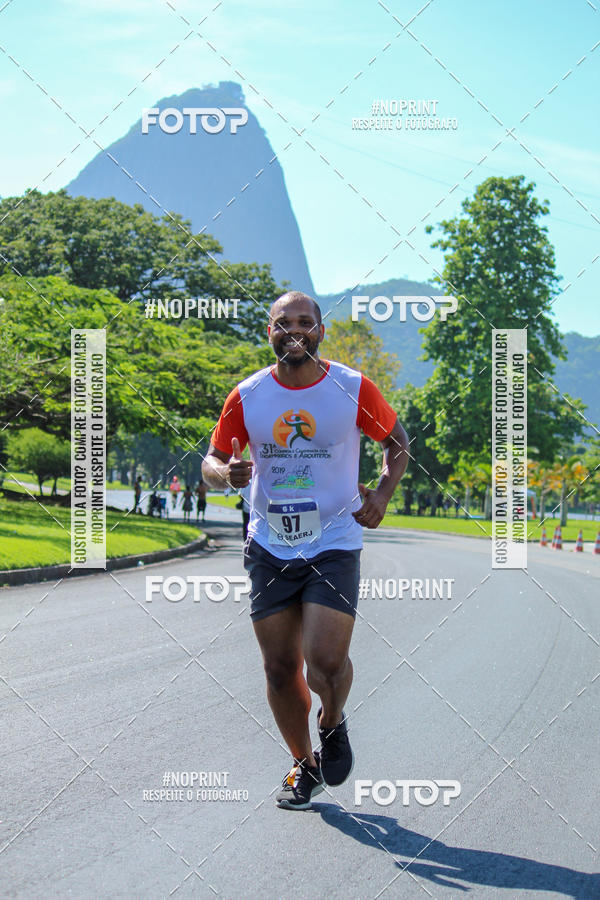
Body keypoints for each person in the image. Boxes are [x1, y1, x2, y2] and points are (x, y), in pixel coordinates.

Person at [202, 291, 409, 811]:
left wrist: (381, 496)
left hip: (334, 539)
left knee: (326, 662)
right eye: (283, 322)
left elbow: (397, 441)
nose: (294, 329)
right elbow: (212, 459)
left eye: (304, 321)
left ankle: (332, 722)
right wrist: (225, 473)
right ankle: (303, 764)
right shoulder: (247, 395)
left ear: (320, 330)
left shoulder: (352, 387)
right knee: (278, 668)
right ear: (268, 331)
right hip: (270, 545)